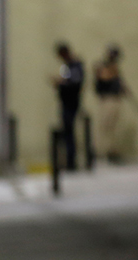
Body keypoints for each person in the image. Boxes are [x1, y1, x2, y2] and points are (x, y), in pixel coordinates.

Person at [52, 43, 85, 171]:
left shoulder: (75, 65)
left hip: (71, 102)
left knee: (69, 131)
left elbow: (74, 83)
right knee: (66, 131)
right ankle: (68, 160)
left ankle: (71, 161)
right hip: (66, 101)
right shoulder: (67, 66)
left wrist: (61, 84)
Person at [94, 45, 128, 164]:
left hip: (115, 99)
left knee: (113, 126)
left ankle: (112, 150)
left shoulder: (113, 68)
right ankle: (104, 150)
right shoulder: (104, 67)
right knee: (106, 126)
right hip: (108, 99)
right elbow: (104, 77)